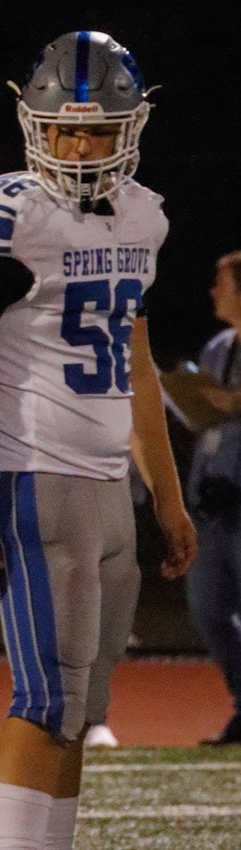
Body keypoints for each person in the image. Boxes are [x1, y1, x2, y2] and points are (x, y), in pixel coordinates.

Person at [0, 30, 196, 850]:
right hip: (32, 474)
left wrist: (166, 496)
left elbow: (137, 367)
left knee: (80, 705)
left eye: (97, 132)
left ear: (132, 128)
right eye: (64, 131)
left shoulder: (142, 218)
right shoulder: (5, 216)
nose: (79, 148)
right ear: (32, 126)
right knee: (43, 695)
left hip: (106, 483)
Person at [185, 252, 241, 742]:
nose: (213, 292)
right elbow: (206, 420)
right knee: (209, 609)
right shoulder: (218, 348)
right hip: (215, 500)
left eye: (222, 283)